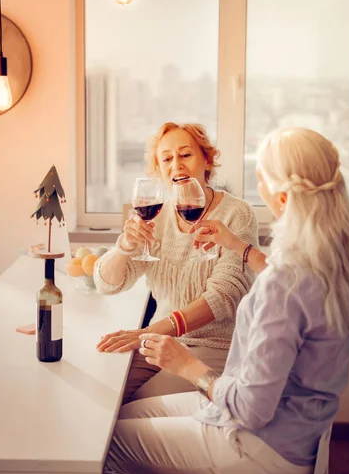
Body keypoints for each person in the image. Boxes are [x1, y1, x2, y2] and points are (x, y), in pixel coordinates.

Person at [101, 127, 349, 474]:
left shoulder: (287, 280)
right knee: (124, 419)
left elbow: (250, 409)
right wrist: (241, 248)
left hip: (260, 443)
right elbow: (295, 290)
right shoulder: (348, 256)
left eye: (263, 179)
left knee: (104, 451)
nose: (259, 188)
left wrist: (190, 367)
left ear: (283, 198)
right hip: (298, 427)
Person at [94, 122, 258, 403]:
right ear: (159, 169)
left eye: (186, 155)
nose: (176, 165)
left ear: (206, 160)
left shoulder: (236, 214)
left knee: (135, 407)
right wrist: (125, 247)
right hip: (160, 342)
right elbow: (108, 284)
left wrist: (145, 333)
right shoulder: (156, 216)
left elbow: (223, 297)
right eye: (167, 159)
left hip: (211, 347)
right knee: (104, 395)